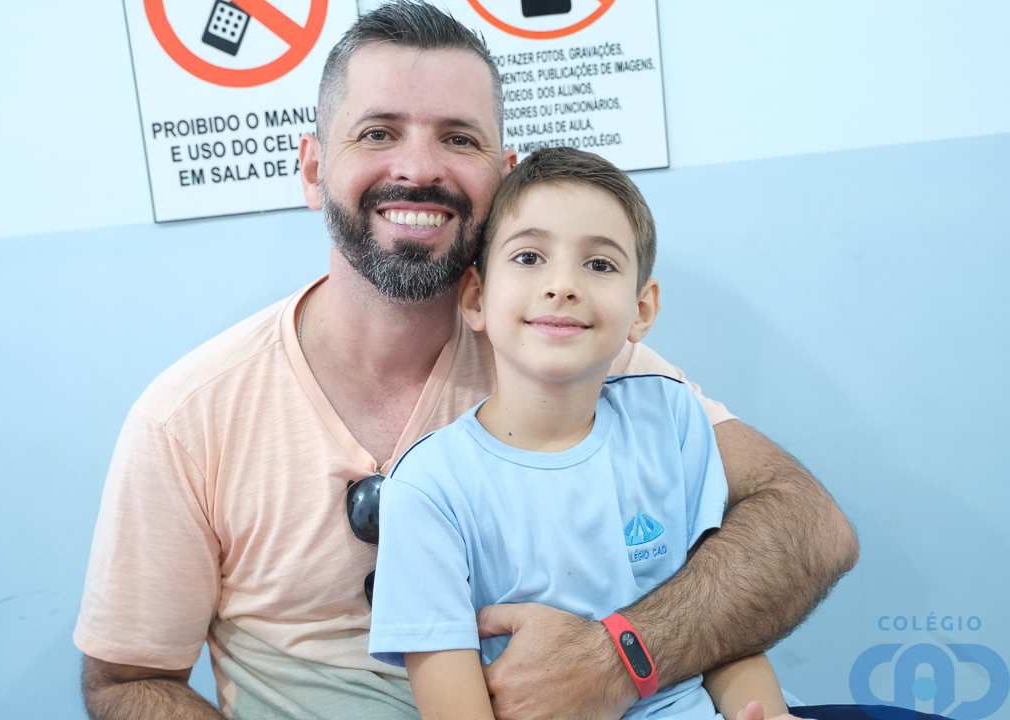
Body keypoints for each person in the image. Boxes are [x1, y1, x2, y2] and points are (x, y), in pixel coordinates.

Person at [76, 3, 858, 719]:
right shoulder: (189, 417)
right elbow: (125, 682)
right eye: (377, 133)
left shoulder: (571, 357)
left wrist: (622, 657)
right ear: (314, 169)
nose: (419, 169)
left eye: (458, 138)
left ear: (503, 176)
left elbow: (809, 526)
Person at [369, 146, 802, 720]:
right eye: (529, 257)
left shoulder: (671, 418)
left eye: (599, 265)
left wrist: (767, 714)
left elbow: (720, 628)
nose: (562, 285)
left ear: (641, 310)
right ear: (476, 297)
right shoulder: (428, 489)